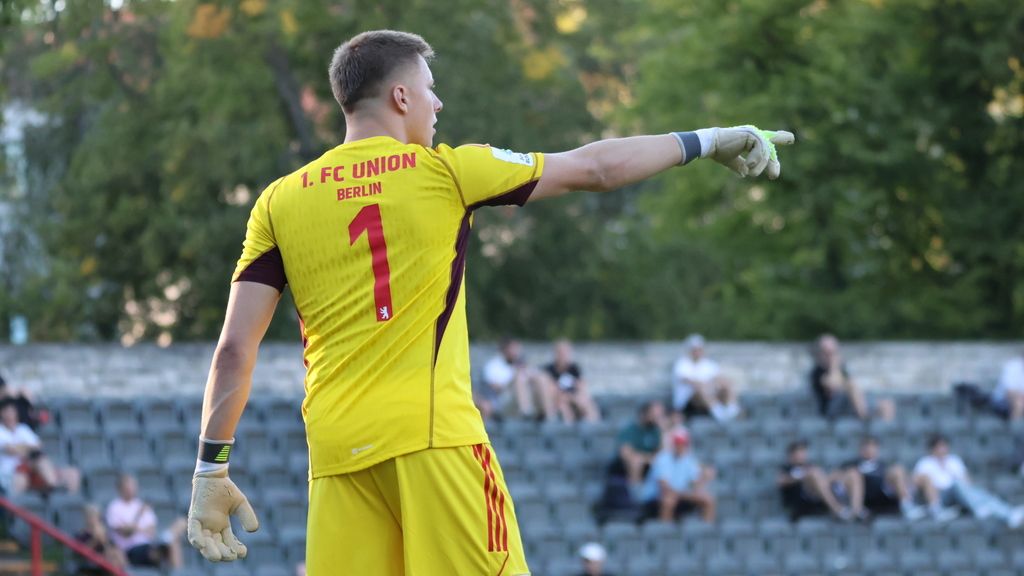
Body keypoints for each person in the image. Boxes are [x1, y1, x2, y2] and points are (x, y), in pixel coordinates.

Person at [186, 29, 794, 573]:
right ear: (401, 98)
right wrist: (709, 139)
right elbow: (597, 168)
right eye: (430, 88)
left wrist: (211, 470)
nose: (438, 103)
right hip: (435, 443)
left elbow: (235, 349)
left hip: (338, 456)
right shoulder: (445, 172)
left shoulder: (278, 202)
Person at [913, 435, 1024, 528]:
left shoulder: (954, 460)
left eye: (944, 446)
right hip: (940, 496)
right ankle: (979, 507)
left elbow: (967, 481)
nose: (942, 449)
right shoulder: (925, 463)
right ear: (932, 449)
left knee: (980, 493)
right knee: (957, 485)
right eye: (939, 447)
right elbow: (918, 482)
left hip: (959, 495)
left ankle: (1008, 513)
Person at [0, 399, 78, 496]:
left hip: (32, 469)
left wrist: (21, 448)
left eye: (12, 411)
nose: (10, 414)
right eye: (7, 411)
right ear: (1, 413)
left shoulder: (22, 429)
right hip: (11, 473)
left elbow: (38, 446)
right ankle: (53, 484)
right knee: (28, 471)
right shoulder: (1, 430)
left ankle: (66, 499)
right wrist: (27, 448)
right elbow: (11, 449)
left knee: (73, 473)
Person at [106, 474, 185, 569]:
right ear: (121, 488)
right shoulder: (115, 507)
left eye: (134, 485)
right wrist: (138, 517)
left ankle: (177, 569)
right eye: (129, 485)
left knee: (175, 540)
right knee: (155, 551)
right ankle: (164, 542)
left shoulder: (140, 504)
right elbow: (125, 532)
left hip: (148, 544)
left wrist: (135, 529)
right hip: (130, 549)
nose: (133, 488)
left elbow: (151, 531)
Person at [809, 334, 895, 421]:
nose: (831, 356)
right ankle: (864, 418)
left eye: (833, 352)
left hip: (849, 405)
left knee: (886, 405)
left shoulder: (842, 369)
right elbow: (833, 385)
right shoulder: (817, 372)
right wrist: (834, 366)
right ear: (820, 354)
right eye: (827, 353)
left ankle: (887, 430)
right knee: (851, 385)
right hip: (830, 410)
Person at [640, 428, 716, 523]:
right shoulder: (662, 458)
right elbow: (664, 488)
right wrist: (686, 494)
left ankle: (707, 532)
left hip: (679, 495)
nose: (680, 446)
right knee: (669, 501)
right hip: (655, 498)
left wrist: (704, 477)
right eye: (678, 443)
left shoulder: (688, 459)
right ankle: (665, 533)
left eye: (683, 444)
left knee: (707, 499)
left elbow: (694, 483)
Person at [842, 437, 926, 520]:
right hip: (862, 494)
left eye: (873, 447)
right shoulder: (852, 464)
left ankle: (907, 506)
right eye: (867, 447)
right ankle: (856, 510)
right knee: (853, 474)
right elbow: (838, 478)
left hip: (881, 494)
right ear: (861, 449)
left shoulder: (882, 465)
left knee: (898, 470)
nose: (870, 449)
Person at [778, 440, 863, 521]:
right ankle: (837, 509)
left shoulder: (810, 466)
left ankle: (856, 510)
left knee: (852, 473)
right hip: (802, 502)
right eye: (798, 452)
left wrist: (832, 477)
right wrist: (803, 476)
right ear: (791, 455)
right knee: (814, 473)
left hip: (820, 499)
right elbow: (781, 481)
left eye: (803, 452)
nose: (801, 455)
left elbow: (820, 480)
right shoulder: (786, 468)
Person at [476, 337, 554, 420]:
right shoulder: (493, 365)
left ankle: (549, 415)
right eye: (514, 348)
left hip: (522, 396)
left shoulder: (520, 363)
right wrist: (514, 378)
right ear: (505, 349)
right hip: (502, 401)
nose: (517, 352)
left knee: (541, 377)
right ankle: (525, 412)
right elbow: (495, 388)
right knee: (519, 377)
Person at [670, 334, 739, 422]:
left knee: (727, 383)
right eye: (695, 350)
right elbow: (687, 381)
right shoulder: (682, 363)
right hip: (687, 403)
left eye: (699, 349)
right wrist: (708, 385)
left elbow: (718, 378)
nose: (697, 352)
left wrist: (717, 384)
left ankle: (731, 410)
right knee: (701, 388)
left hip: (708, 396)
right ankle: (720, 415)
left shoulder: (708, 363)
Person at [613, 401, 667, 495]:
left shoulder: (656, 430)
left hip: (649, 461)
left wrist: (663, 431)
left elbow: (664, 452)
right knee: (636, 461)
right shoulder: (630, 429)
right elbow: (625, 454)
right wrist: (647, 458)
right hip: (626, 465)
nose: (657, 417)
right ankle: (635, 496)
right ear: (645, 413)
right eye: (655, 414)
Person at [543, 339, 600, 423]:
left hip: (573, 398)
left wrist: (575, 396)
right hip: (559, 401)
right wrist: (567, 396)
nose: (563, 355)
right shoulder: (549, 369)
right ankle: (568, 428)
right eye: (560, 352)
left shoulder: (574, 368)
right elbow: (552, 390)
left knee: (585, 401)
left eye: (565, 352)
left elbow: (581, 385)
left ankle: (594, 424)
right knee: (563, 405)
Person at [75, 504, 127, 575]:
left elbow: (110, 548)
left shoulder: (104, 532)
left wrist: (104, 539)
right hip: (92, 559)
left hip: (106, 557)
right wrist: (95, 539)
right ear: (86, 518)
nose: (92, 519)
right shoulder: (82, 534)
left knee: (117, 554)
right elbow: (82, 552)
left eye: (94, 516)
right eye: (90, 516)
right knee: (113, 560)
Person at [992, 350, 1024, 420]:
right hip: (1002, 400)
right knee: (1020, 402)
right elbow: (1009, 392)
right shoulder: (1013, 367)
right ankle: (1016, 428)